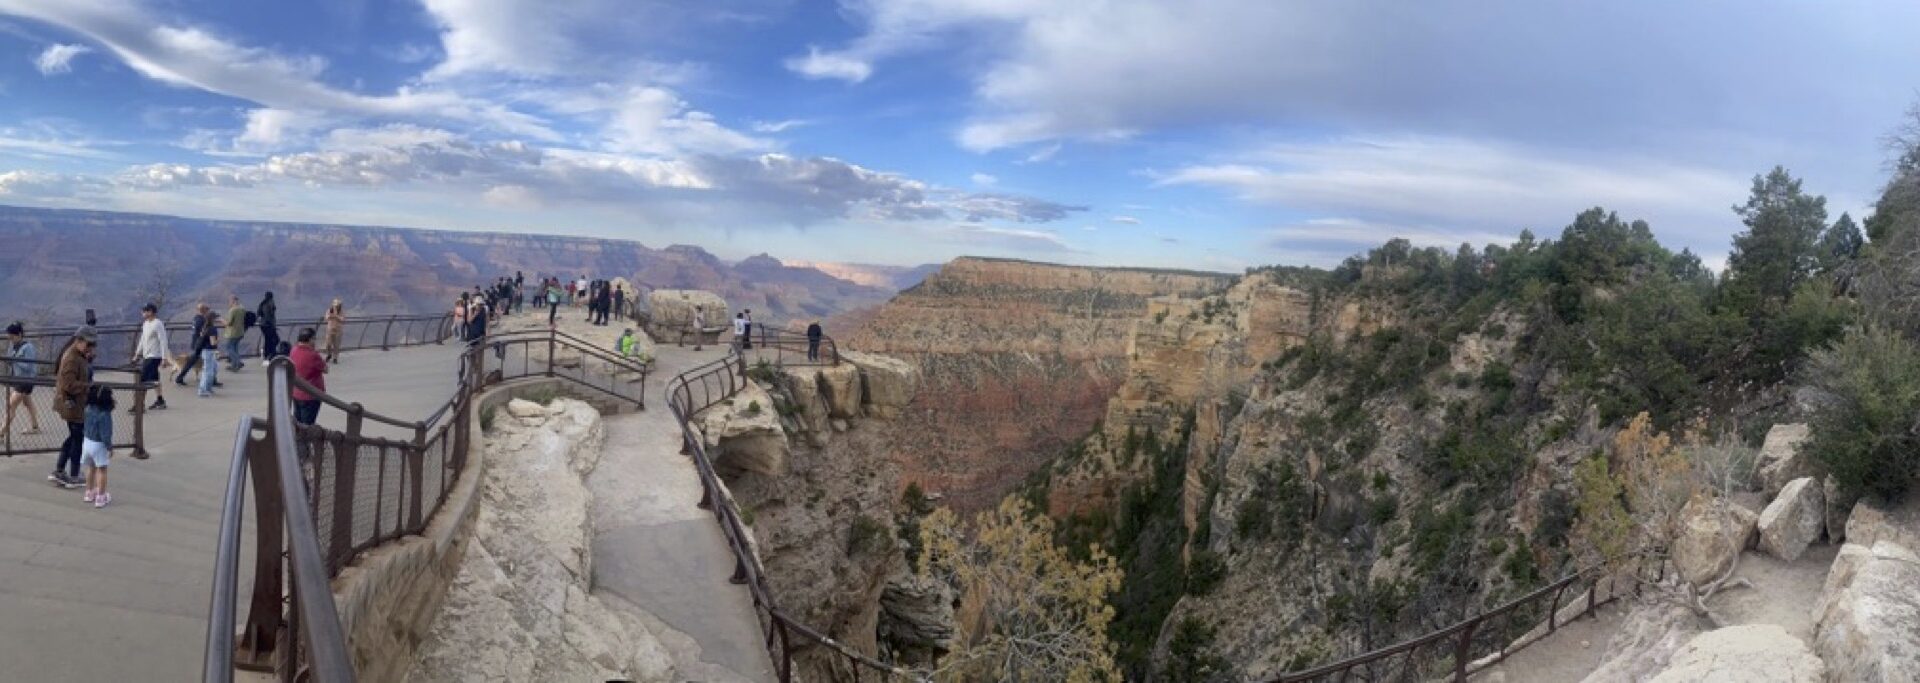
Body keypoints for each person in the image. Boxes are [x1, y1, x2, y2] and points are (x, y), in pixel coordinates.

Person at [51, 326, 95, 488]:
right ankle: (74, 475)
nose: (90, 347)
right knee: (77, 440)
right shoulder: (71, 358)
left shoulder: (77, 355)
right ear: (79, 340)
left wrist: (88, 358)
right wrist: (87, 386)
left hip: (73, 404)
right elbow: (69, 384)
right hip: (73, 405)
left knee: (73, 437)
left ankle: (60, 470)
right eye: (88, 344)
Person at [3, 322, 41, 437]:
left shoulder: (28, 347)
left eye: (12, 337)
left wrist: (15, 359)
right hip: (18, 379)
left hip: (26, 380)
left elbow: (28, 366)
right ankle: (35, 427)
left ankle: (1, 433)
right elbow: (10, 359)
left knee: (11, 405)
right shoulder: (13, 345)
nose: (11, 339)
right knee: (27, 402)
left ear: (19, 334)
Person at [80, 385, 115, 507]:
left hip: (87, 441)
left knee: (91, 467)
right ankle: (101, 496)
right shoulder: (105, 414)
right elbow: (105, 434)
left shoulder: (88, 408)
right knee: (102, 470)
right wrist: (110, 447)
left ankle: (89, 492)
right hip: (99, 445)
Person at [133, 303, 170, 411]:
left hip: (154, 356)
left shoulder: (158, 324)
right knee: (154, 379)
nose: (143, 313)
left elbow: (163, 340)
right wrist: (137, 353)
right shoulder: (145, 324)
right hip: (147, 355)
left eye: (144, 311)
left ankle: (140, 405)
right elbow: (142, 340)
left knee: (142, 380)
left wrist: (164, 358)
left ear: (151, 312)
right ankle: (160, 400)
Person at [289, 328, 326, 425]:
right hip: (311, 395)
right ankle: (303, 439)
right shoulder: (313, 355)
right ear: (310, 339)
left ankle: (297, 439)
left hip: (296, 393)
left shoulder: (293, 350)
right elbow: (325, 369)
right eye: (314, 339)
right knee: (307, 425)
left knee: (298, 421)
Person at [173, 303, 212, 385]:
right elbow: (202, 332)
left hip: (196, 343)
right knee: (207, 360)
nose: (208, 311)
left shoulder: (195, 318)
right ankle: (210, 381)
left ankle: (180, 378)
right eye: (207, 309)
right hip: (201, 344)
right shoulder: (202, 320)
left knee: (193, 361)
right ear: (204, 310)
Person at [196, 311, 221, 398]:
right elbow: (213, 342)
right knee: (208, 372)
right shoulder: (212, 329)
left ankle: (208, 388)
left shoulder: (205, 327)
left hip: (205, 351)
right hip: (209, 351)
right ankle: (202, 390)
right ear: (213, 319)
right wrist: (219, 340)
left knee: (213, 369)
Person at [223, 295, 247, 372]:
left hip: (232, 333)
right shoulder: (242, 309)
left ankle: (238, 362)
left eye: (229, 301)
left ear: (233, 301)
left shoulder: (232, 310)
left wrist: (221, 320)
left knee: (229, 348)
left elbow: (229, 323)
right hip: (240, 332)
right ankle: (234, 365)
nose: (229, 303)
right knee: (235, 348)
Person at [256, 292, 279, 362]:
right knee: (275, 340)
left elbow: (260, 314)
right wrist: (272, 325)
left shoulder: (263, 303)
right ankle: (271, 355)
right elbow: (268, 316)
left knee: (268, 340)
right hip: (268, 325)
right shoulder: (269, 303)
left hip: (263, 325)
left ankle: (268, 355)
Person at [324, 299, 345, 364]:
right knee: (328, 344)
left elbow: (342, 320)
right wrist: (330, 316)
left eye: (337, 305)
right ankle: (328, 354)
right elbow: (326, 318)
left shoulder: (342, 312)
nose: (336, 307)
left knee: (336, 345)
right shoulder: (330, 310)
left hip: (338, 330)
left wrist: (336, 316)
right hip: (330, 330)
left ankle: (335, 358)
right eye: (335, 305)